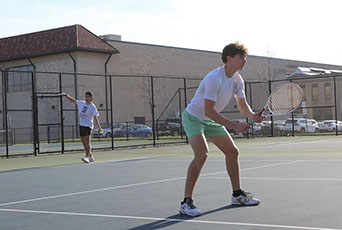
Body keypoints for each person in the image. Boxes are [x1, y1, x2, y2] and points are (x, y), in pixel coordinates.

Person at [179, 42, 265, 217]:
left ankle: (237, 195)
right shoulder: (213, 78)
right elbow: (209, 110)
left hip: (211, 120)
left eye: (245, 57)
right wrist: (234, 126)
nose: (245, 61)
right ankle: (186, 203)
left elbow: (243, 106)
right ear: (229, 58)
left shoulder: (238, 80)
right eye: (241, 57)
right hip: (194, 117)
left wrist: (252, 116)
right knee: (202, 154)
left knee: (232, 152)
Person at [62, 91, 102, 163]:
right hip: (81, 125)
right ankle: (91, 156)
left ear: (91, 98)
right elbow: (73, 101)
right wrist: (66, 96)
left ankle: (87, 157)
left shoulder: (92, 107)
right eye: (85, 96)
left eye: (88, 97)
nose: (86, 98)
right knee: (83, 142)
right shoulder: (81, 103)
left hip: (88, 126)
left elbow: (95, 117)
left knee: (87, 142)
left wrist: (99, 127)